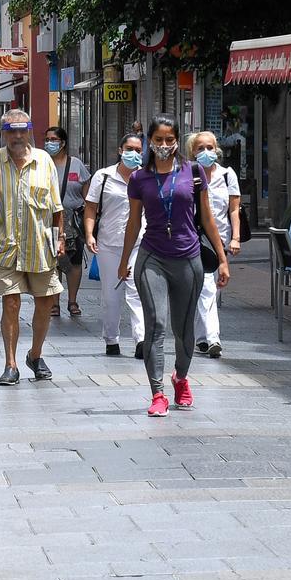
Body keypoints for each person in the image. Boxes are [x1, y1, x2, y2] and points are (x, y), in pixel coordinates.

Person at [117, 114, 230, 417]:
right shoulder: (139, 178)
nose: (164, 145)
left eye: (169, 140)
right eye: (158, 140)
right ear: (148, 142)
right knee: (156, 325)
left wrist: (221, 259)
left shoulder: (193, 172)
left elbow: (207, 219)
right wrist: (124, 260)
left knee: (184, 328)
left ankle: (181, 378)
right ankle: (157, 394)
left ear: (177, 141)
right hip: (151, 257)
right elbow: (132, 222)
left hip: (189, 257)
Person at [0, 109, 65, 386]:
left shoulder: (44, 161)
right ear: (3, 132)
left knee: (45, 302)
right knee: (10, 303)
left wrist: (59, 238)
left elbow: (56, 207)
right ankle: (10, 363)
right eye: (10, 130)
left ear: (29, 131)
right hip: (5, 246)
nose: (16, 135)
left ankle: (35, 355)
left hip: (40, 247)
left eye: (21, 129)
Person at [84, 133, 146, 358]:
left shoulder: (147, 177)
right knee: (111, 296)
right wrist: (90, 235)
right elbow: (91, 208)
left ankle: (141, 340)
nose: (134, 154)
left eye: (139, 150)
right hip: (108, 244)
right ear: (120, 150)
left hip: (140, 243)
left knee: (137, 291)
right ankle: (111, 338)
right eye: (130, 148)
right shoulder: (104, 176)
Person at [185, 131, 241, 359]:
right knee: (205, 288)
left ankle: (201, 338)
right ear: (192, 152)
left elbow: (234, 209)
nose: (206, 152)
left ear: (217, 149)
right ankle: (213, 338)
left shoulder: (227, 175)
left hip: (219, 240)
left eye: (210, 147)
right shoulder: (187, 174)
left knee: (208, 289)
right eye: (200, 148)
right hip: (193, 238)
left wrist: (235, 237)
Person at [44, 126, 92, 317]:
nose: (50, 143)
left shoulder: (76, 164)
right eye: (47, 139)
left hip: (74, 220)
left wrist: (89, 220)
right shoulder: (42, 163)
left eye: (54, 139)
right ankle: (54, 303)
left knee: (74, 262)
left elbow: (87, 194)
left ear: (63, 142)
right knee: (53, 262)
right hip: (48, 219)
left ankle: (72, 301)